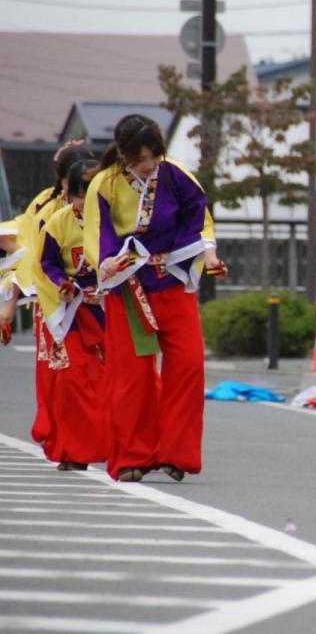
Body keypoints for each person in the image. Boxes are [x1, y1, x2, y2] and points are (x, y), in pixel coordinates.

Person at [84, 114, 210, 483]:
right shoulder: (104, 185)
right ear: (124, 154)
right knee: (131, 376)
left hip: (172, 279)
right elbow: (96, 231)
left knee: (188, 365)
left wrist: (192, 251)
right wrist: (107, 261)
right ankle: (132, 456)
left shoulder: (176, 175)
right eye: (143, 157)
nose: (151, 163)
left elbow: (199, 215)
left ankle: (176, 453)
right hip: (128, 286)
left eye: (156, 154)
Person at [32, 159, 109, 470]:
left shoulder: (115, 219)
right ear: (68, 195)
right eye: (79, 194)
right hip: (71, 309)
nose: (85, 202)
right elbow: (45, 264)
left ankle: (127, 447)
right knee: (73, 378)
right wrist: (65, 284)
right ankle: (74, 450)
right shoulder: (58, 223)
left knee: (120, 378)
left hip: (109, 306)